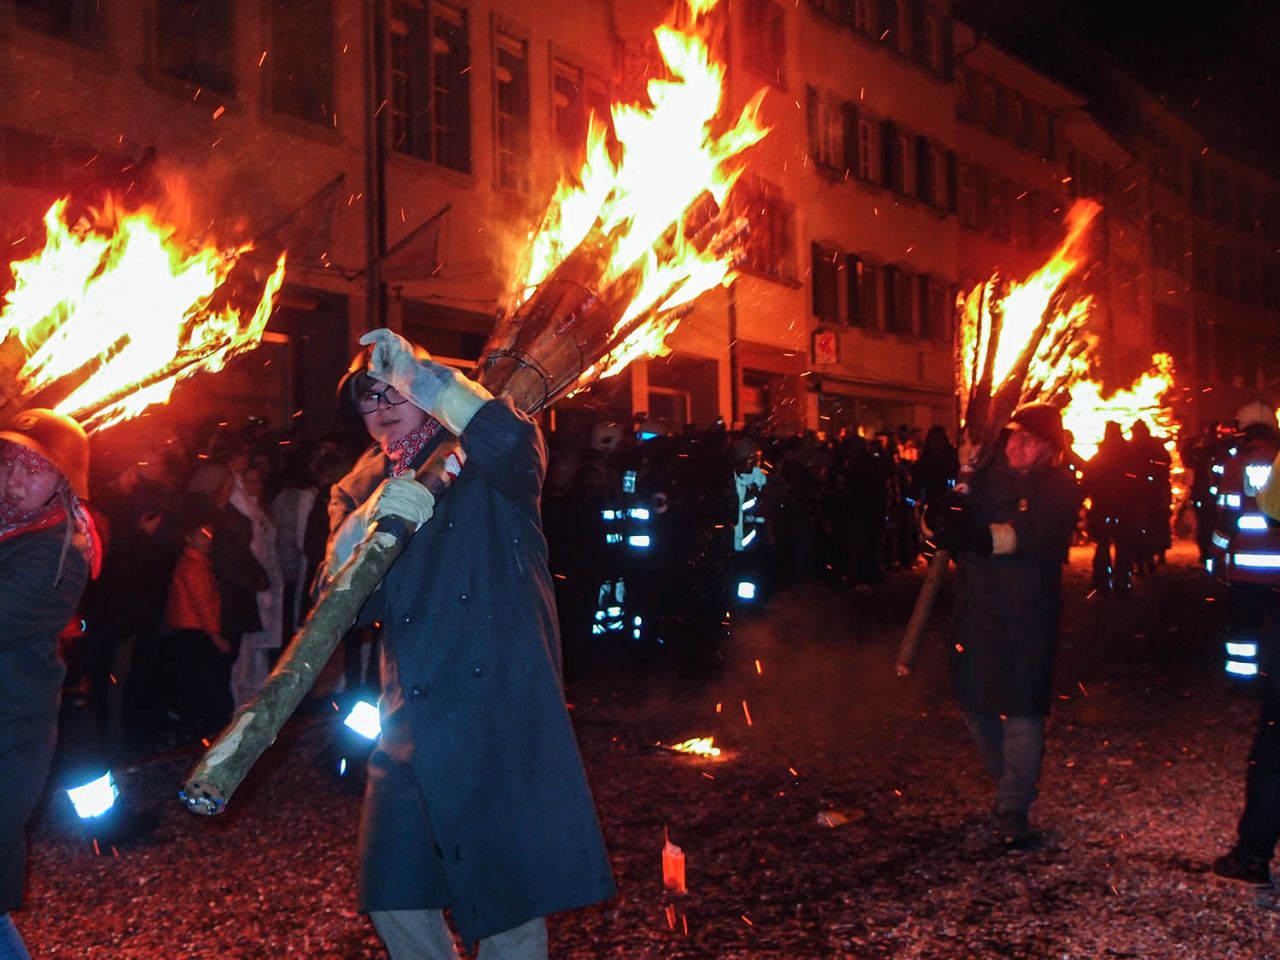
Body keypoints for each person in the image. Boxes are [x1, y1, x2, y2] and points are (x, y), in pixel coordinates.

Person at [322, 329, 615, 959]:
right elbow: (341, 607)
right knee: (394, 892)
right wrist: (373, 529)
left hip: (499, 707)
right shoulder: (356, 491)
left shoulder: (489, 454)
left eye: (392, 386)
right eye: (367, 397)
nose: (381, 405)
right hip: (410, 717)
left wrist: (427, 377)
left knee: (507, 899)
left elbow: (511, 438)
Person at [925, 403, 1080, 847]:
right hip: (977, 611)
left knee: (1023, 711)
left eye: (1030, 440)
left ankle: (1014, 803)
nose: (1018, 445)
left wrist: (976, 536)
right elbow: (937, 528)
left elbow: (1034, 535)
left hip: (1029, 614)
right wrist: (940, 516)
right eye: (1014, 436)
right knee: (974, 704)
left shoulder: (1060, 488)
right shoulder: (982, 478)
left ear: (1049, 450)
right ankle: (1006, 781)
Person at [0, 409, 99, 959]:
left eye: (36, 468)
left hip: (7, 738)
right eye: (10, 460)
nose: (16, 478)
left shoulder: (58, 554)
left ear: (63, 481)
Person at [1211, 443, 1280, 886]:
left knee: (1275, 747)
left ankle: (1253, 856)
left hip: (1254, 574)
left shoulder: (1243, 462)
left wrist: (1215, 550)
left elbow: (1258, 507)